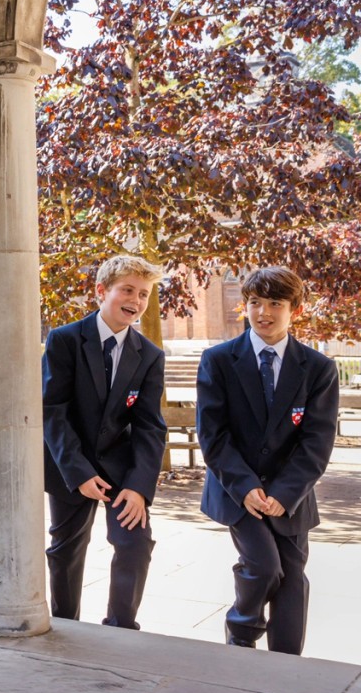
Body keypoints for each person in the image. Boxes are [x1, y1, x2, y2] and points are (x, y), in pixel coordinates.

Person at [196, 266, 338, 655]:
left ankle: (287, 664)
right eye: (255, 302)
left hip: (291, 494)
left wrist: (284, 492)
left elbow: (317, 441)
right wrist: (246, 488)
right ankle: (241, 634)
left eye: (275, 303)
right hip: (236, 489)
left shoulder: (319, 369)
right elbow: (213, 435)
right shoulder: (218, 360)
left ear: (295, 309)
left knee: (292, 579)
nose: (263, 312)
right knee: (263, 567)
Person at [42, 254, 166, 630]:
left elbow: (149, 426)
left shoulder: (149, 355)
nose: (136, 300)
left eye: (143, 294)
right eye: (127, 290)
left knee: (134, 544)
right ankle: (66, 625)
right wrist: (78, 473)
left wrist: (139, 487)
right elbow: (53, 410)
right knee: (66, 550)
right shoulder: (65, 340)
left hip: (121, 468)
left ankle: (120, 627)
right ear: (101, 291)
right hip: (70, 465)